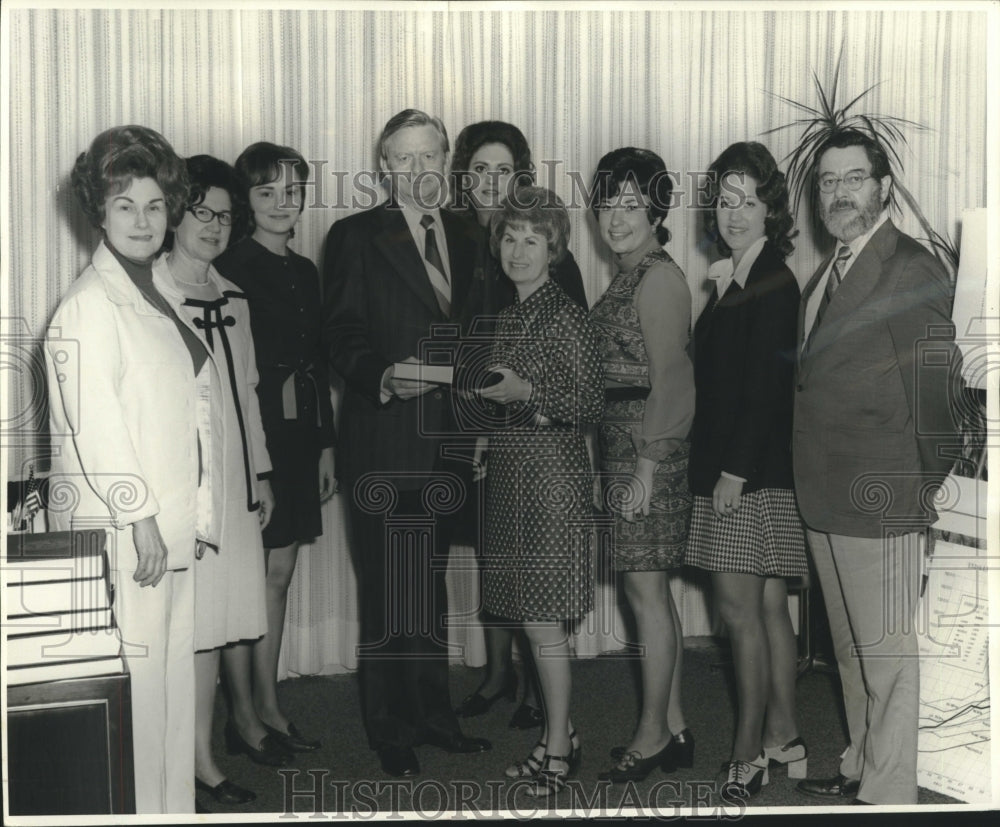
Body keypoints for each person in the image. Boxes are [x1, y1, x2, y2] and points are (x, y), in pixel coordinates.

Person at [793, 129, 961, 805]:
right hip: (825, 493)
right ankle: (861, 762)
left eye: (853, 178)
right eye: (828, 181)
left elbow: (937, 395)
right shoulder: (827, 269)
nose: (839, 193)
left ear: (884, 187)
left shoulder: (910, 267)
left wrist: (920, 486)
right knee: (850, 650)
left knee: (887, 659)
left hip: (881, 495)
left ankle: (888, 796)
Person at [322, 109, 490, 778]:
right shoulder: (354, 236)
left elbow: (479, 337)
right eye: (405, 158)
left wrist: (478, 426)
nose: (420, 170)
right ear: (384, 167)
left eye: (430, 156)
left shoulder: (469, 234)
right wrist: (383, 377)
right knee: (389, 586)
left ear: (445, 161)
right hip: (383, 435)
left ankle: (433, 716)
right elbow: (340, 334)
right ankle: (389, 727)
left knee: (429, 582)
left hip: (448, 441)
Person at [45, 125, 198, 813]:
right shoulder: (86, 306)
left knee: (168, 683)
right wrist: (141, 520)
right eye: (125, 206)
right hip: (128, 531)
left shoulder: (157, 288)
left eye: (155, 205)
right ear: (98, 213)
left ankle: (171, 809)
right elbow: (98, 427)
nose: (143, 220)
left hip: (167, 523)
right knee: (136, 688)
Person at [449, 120, 589, 731]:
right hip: (492, 443)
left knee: (540, 591)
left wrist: (527, 394)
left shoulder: (559, 280)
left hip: (543, 454)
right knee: (502, 566)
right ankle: (506, 681)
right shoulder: (467, 250)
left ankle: (547, 711)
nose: (489, 180)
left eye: (502, 170)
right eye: (479, 169)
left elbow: (581, 388)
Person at [686, 142, 807, 797]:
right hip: (753, 468)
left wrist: (732, 473)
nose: (734, 213)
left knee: (739, 614)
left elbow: (765, 388)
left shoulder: (771, 280)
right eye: (725, 201)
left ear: (770, 210)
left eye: (748, 202)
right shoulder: (741, 273)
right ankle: (785, 735)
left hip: (744, 473)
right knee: (766, 607)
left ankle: (747, 754)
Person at [159, 155, 282, 806]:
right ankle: (191, 761)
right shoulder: (152, 295)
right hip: (182, 486)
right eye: (200, 211)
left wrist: (260, 473)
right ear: (175, 215)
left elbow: (249, 392)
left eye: (224, 216)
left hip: (234, 485)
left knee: (216, 624)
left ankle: (203, 756)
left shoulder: (234, 296)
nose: (212, 225)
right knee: (188, 627)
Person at [476, 187, 603, 796]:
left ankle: (557, 750)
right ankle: (562, 732)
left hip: (553, 482)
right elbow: (503, 392)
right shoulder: (509, 314)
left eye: (533, 239)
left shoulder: (565, 315)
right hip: (511, 476)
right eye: (510, 237)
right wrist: (487, 435)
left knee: (543, 622)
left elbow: (590, 404)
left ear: (554, 250)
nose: (519, 250)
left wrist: (528, 395)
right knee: (531, 621)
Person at [214, 142, 337, 756]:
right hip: (253, 435)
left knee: (280, 574)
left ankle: (269, 704)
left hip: (299, 434)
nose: (282, 204)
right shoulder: (230, 265)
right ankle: (244, 715)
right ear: (247, 199)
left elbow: (315, 361)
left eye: (293, 192)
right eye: (267, 192)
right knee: (249, 578)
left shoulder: (306, 270)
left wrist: (325, 446)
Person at [588, 147, 695, 783]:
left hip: (648, 454)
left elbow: (673, 383)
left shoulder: (658, 279)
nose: (617, 217)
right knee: (650, 591)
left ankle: (652, 734)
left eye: (631, 204)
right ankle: (675, 727)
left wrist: (647, 469)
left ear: (656, 211)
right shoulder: (632, 272)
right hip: (627, 449)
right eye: (607, 204)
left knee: (645, 592)